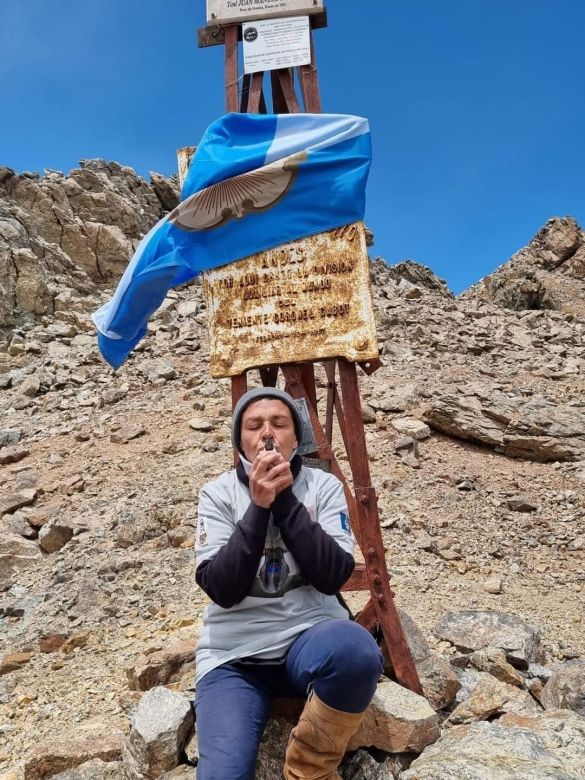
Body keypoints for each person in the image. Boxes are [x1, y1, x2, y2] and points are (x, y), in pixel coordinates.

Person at [194, 387, 383, 780]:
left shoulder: (323, 487)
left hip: (308, 638)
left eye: (279, 424)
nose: (267, 434)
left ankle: (309, 770)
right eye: (254, 425)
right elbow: (222, 589)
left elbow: (332, 575)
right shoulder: (217, 494)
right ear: (240, 441)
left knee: (356, 652)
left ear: (296, 438)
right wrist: (258, 507)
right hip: (234, 656)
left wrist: (284, 501)